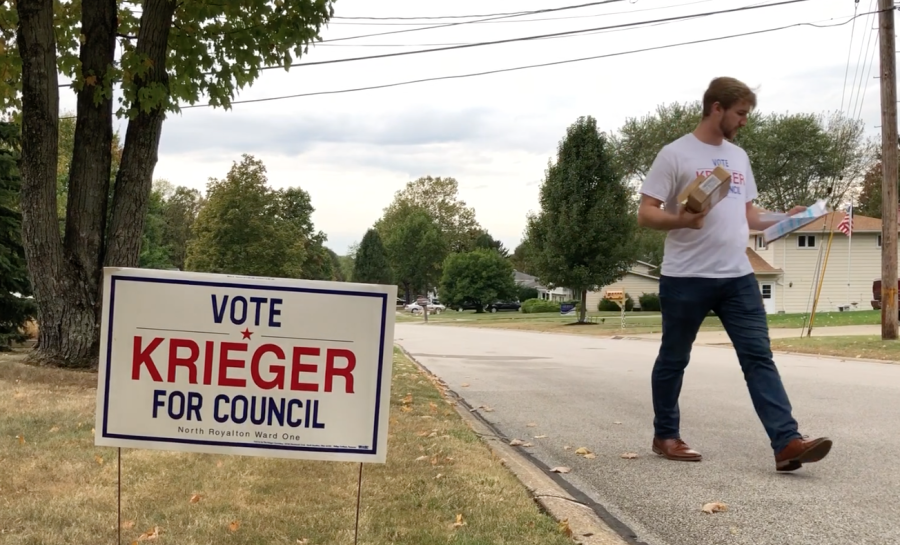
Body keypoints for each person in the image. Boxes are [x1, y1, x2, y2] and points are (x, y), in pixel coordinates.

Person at [636, 76, 832, 472]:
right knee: (674, 358)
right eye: (740, 113)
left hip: (738, 276)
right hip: (686, 277)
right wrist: (682, 221)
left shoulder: (739, 158)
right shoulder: (674, 154)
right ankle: (666, 436)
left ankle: (787, 443)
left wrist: (787, 216)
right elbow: (646, 213)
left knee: (759, 356)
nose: (744, 121)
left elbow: (750, 216)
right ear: (716, 108)